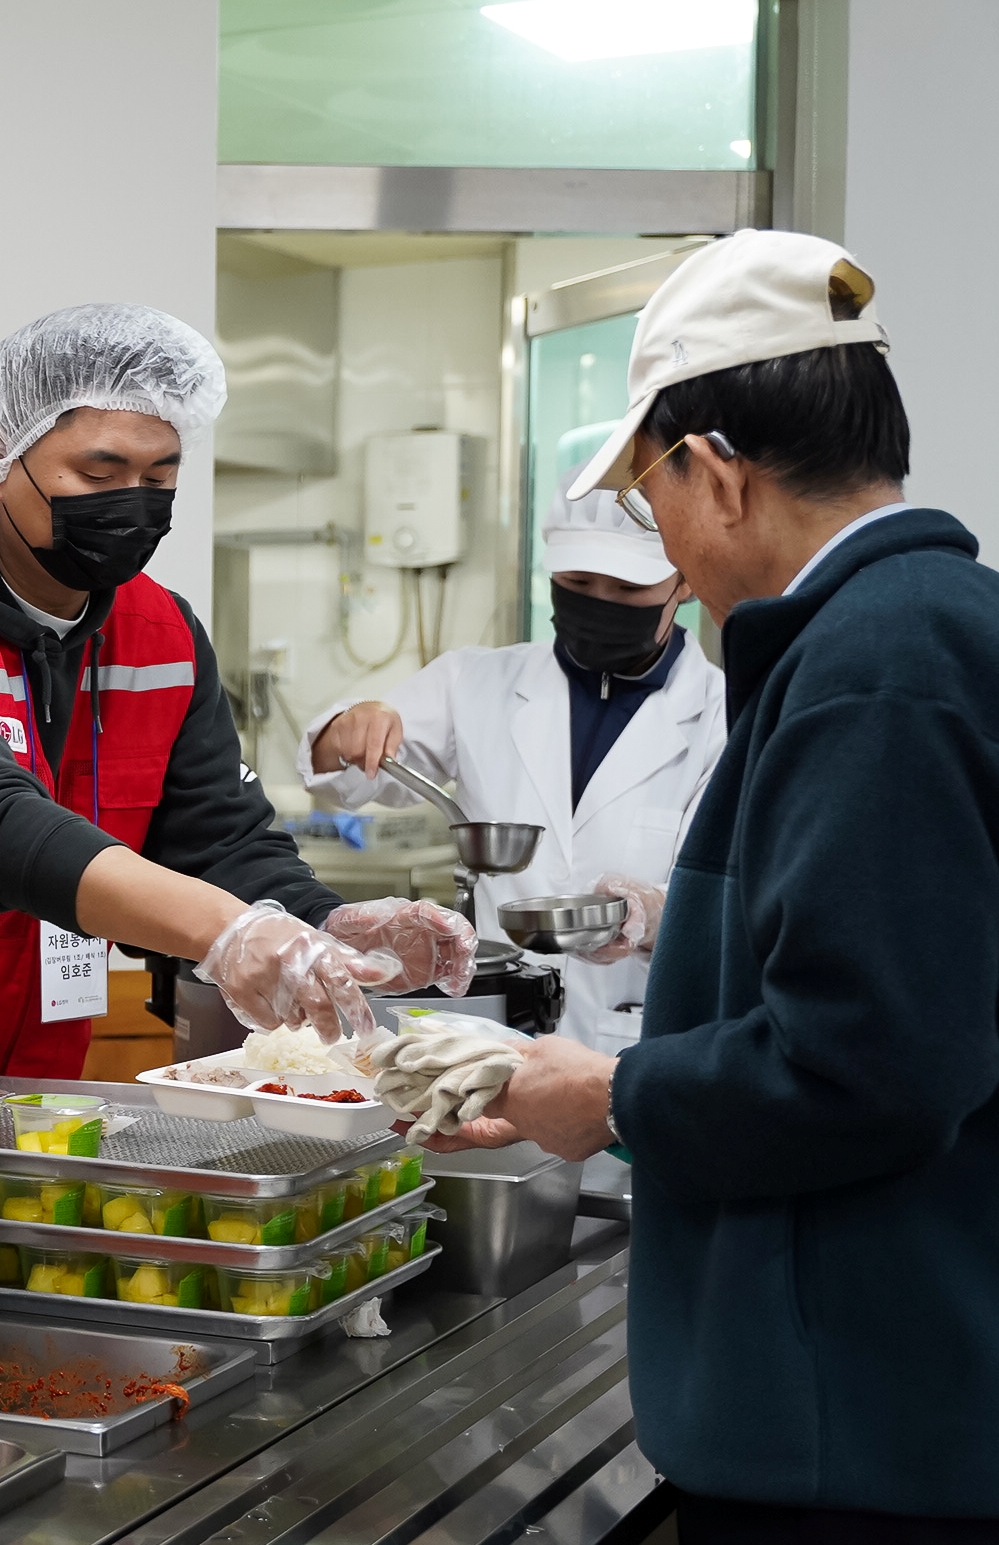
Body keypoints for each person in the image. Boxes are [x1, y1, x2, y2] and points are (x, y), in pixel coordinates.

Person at [422, 227, 999, 1541]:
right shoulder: (922, 630)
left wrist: (611, 1093)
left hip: (861, 1444)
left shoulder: (878, 668)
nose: (665, 545)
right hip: (883, 1407)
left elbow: (875, 1067)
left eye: (653, 495)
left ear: (718, 475)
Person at [0, 304, 473, 1076]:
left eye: (159, 475)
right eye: (98, 474)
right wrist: (226, 931)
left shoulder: (161, 632)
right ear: (1, 449)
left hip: (30, 1079)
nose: (131, 501)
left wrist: (324, 921)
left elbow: (215, 839)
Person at [298, 489, 725, 1048]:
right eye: (577, 584)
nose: (600, 602)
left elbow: (730, 906)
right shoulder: (475, 682)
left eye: (627, 588)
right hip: (493, 1028)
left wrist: (652, 913)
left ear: (684, 581)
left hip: (636, 1033)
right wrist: (351, 726)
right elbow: (344, 779)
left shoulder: (726, 714)